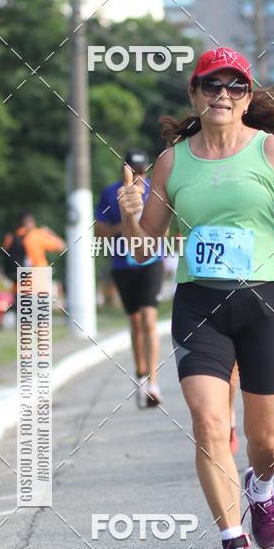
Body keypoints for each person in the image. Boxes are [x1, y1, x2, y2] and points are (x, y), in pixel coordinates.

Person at [117, 46, 274, 549]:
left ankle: (262, 487)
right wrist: (131, 213)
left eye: (235, 87)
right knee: (206, 425)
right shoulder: (173, 162)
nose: (223, 95)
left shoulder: (272, 150)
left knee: (265, 441)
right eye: (212, 86)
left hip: (267, 302)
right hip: (200, 304)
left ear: (247, 99)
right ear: (195, 95)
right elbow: (146, 245)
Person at [96, 150, 164, 409]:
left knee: (149, 319)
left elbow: (164, 226)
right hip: (122, 264)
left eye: (141, 171)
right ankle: (141, 378)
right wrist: (125, 225)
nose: (138, 177)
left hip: (151, 262)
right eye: (133, 171)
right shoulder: (110, 193)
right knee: (135, 322)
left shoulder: (155, 190)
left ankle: (154, 383)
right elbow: (99, 231)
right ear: (124, 169)